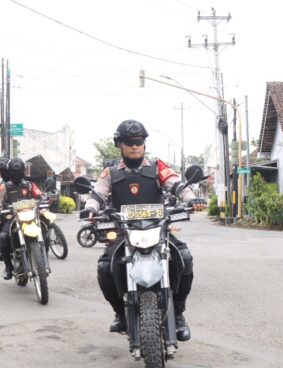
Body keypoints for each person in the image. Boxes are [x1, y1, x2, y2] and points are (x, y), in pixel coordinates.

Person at [79, 119, 206, 341]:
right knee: (104, 268)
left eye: (139, 142)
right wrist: (91, 209)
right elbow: (97, 195)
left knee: (184, 258)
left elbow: (176, 185)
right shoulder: (110, 173)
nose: (135, 146)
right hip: (124, 232)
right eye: (129, 142)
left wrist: (192, 199)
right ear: (120, 144)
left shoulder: (157, 167)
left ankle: (178, 312)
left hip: (158, 229)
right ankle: (120, 313)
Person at [0, 158, 42, 280]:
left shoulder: (29, 185)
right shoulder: (4, 186)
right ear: (10, 172)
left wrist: (44, 198)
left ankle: (41, 257)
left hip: (29, 218)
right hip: (11, 219)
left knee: (44, 229)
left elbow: (39, 194)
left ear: (23, 172)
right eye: (14, 172)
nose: (17, 174)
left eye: (19, 171)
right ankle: (8, 267)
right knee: (3, 237)